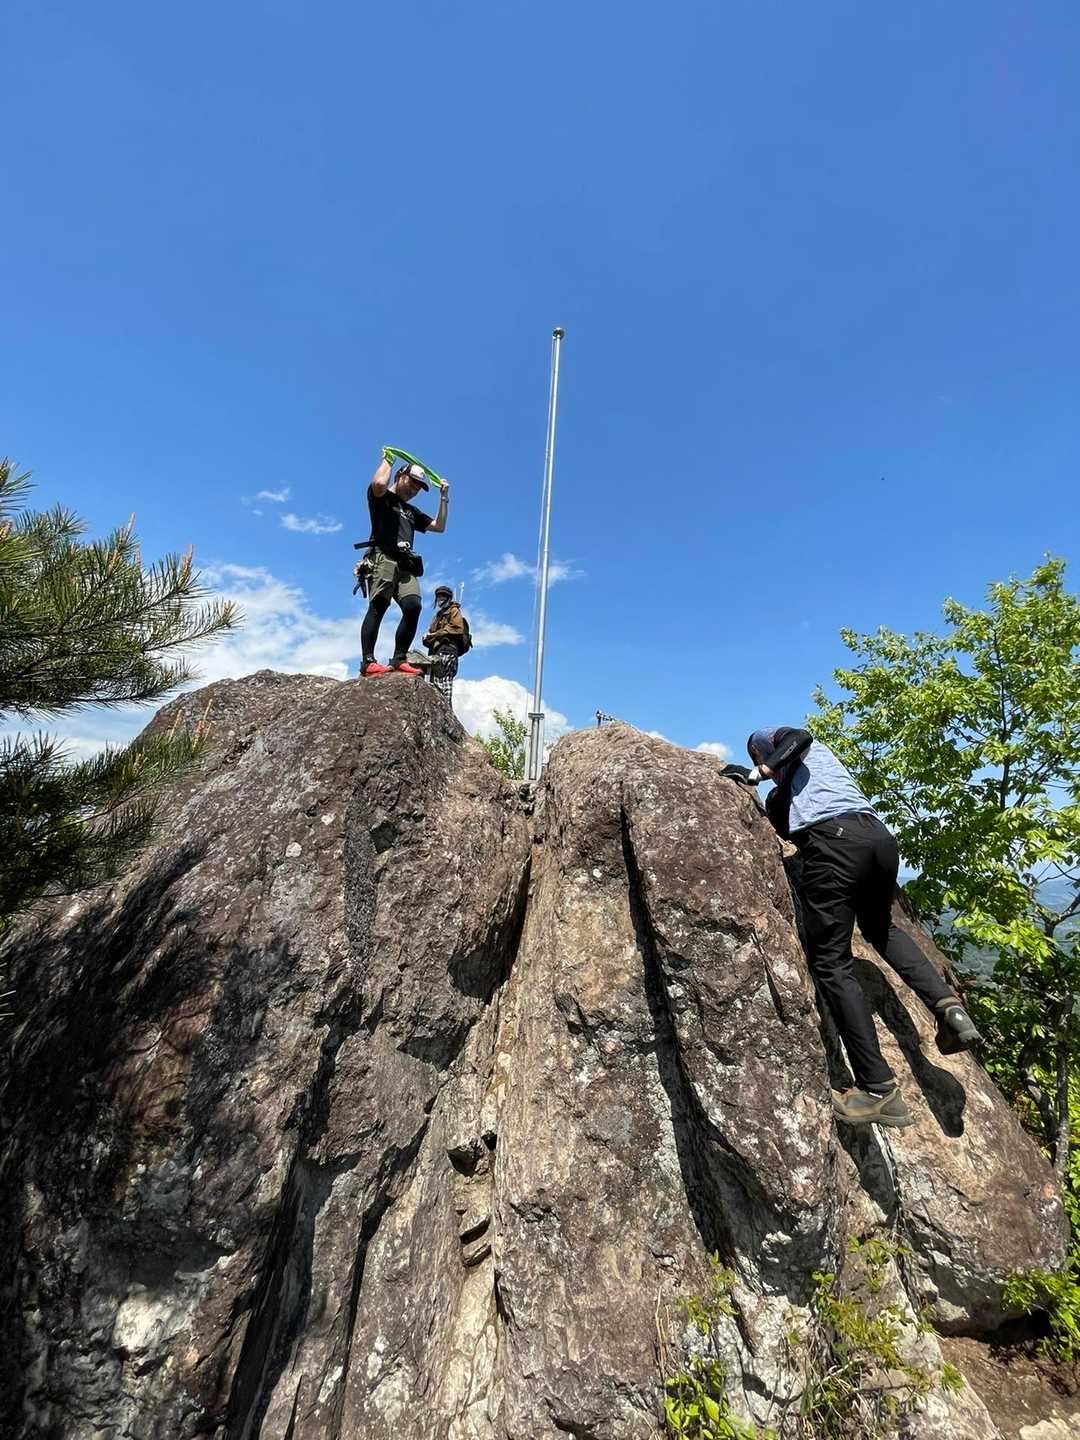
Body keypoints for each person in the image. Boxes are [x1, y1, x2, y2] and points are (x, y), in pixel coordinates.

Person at [747, 726, 982, 1129]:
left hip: (835, 843)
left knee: (831, 963)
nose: (762, 764)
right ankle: (949, 1010)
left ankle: (878, 1091)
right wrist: (766, 788)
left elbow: (799, 736)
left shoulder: (790, 744)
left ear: (766, 749)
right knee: (881, 928)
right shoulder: (813, 778)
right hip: (879, 840)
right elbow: (784, 827)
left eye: (759, 755)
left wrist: (763, 769)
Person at [359, 454, 450, 677]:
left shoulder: (411, 512)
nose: (414, 490)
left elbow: (439, 526)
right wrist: (389, 459)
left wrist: (444, 498)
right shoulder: (382, 498)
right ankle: (368, 662)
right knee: (379, 605)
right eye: (412, 483)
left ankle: (399, 658)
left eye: (419, 488)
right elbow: (379, 483)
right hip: (383, 557)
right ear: (400, 476)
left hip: (406, 565)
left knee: (413, 606)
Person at [422, 586, 468, 704]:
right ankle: (442, 707)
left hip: (448, 650)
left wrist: (436, 634)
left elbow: (457, 628)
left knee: (444, 682)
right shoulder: (438, 615)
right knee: (438, 682)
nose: (440, 598)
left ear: (448, 598)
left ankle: (444, 708)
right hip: (438, 651)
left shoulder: (454, 611)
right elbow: (432, 632)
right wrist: (428, 637)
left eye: (443, 596)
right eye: (438, 596)